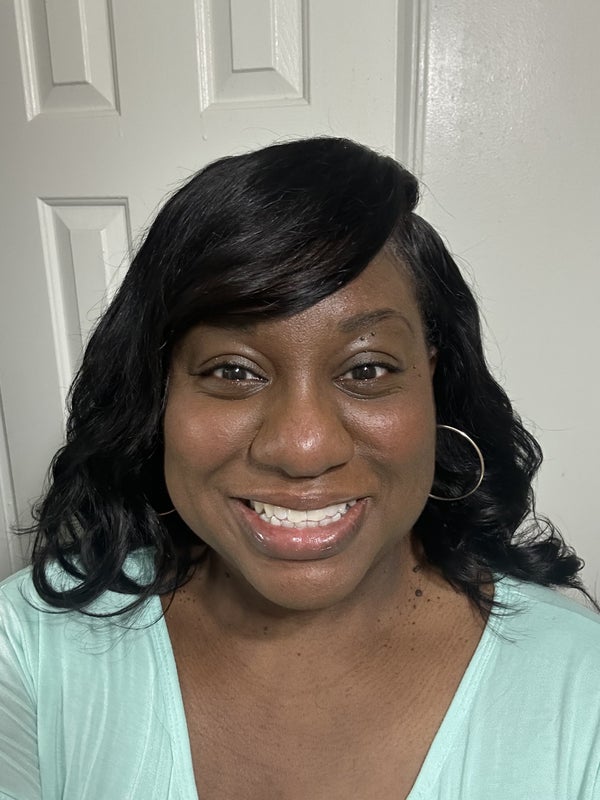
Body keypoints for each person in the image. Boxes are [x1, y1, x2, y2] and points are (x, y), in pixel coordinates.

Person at [0, 137, 598, 800]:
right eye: (233, 371)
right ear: (158, 393)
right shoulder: (27, 646)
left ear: (432, 380)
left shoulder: (583, 688)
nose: (304, 447)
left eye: (367, 369)